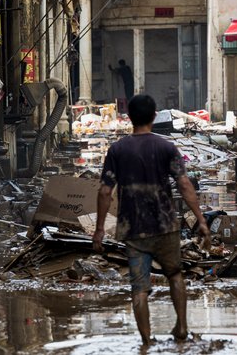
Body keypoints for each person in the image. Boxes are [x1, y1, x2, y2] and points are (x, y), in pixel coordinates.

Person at [92, 94, 211, 346]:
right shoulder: (166, 147)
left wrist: (100, 230)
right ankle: (181, 326)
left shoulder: (117, 150)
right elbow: (184, 185)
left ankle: (146, 341)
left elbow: (104, 191)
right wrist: (200, 218)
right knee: (175, 275)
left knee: (139, 288)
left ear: (129, 118)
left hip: (133, 229)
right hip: (165, 225)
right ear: (154, 116)